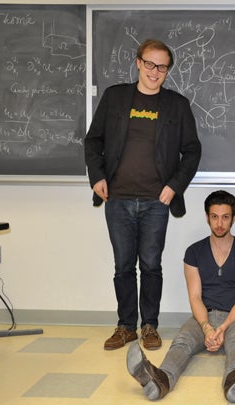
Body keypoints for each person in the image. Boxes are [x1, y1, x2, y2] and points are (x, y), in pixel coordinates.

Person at [84, 39, 202, 351]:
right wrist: (97, 176)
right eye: (149, 63)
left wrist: (174, 185)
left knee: (151, 265)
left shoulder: (177, 105)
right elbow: (93, 141)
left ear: (168, 71)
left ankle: (150, 326)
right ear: (138, 62)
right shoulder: (115, 97)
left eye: (162, 66)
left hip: (156, 202)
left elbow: (192, 151)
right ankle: (125, 327)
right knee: (123, 266)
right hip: (117, 199)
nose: (154, 71)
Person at [126, 190, 235, 403]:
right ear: (207, 217)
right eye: (214, 217)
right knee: (182, 341)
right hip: (202, 316)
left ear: (233, 218)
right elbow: (195, 297)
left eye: (225, 217)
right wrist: (207, 327)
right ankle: (160, 382)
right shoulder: (193, 252)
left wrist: (223, 327)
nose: (219, 223)